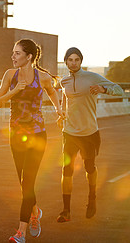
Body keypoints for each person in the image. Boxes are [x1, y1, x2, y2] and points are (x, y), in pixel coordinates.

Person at [0, 38, 63, 242]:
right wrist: (15, 91)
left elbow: (52, 92)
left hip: (37, 135)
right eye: (13, 53)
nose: (12, 56)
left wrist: (59, 109)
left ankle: (20, 233)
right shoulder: (9, 75)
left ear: (29, 56)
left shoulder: (43, 78)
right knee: (23, 184)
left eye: (17, 53)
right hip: (16, 135)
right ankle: (35, 211)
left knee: (28, 181)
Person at [56, 47, 124, 223]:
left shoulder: (92, 77)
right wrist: (61, 114)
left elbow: (119, 90)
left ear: (81, 61)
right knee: (66, 170)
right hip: (69, 132)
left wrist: (103, 88)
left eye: (76, 59)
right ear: (66, 61)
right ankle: (66, 210)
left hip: (89, 132)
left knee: (89, 168)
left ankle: (92, 198)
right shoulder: (64, 81)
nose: (73, 63)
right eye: (70, 60)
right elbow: (65, 99)